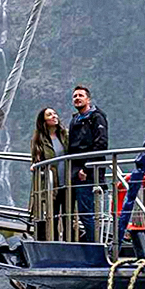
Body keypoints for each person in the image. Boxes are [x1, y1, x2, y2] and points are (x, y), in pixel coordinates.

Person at [66, 84, 109, 243]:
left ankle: (94, 246)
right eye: (75, 96)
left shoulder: (96, 117)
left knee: (86, 212)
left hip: (88, 173)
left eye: (80, 96)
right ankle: (85, 243)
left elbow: (101, 143)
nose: (77, 98)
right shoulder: (75, 119)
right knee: (77, 212)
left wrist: (86, 167)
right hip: (74, 172)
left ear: (88, 99)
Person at [29, 107, 66, 239]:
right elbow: (36, 160)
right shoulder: (39, 139)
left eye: (55, 113)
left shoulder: (64, 135)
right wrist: (35, 165)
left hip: (67, 181)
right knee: (53, 215)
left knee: (69, 215)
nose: (54, 116)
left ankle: (70, 243)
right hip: (52, 184)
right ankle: (54, 241)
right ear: (43, 120)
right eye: (49, 115)